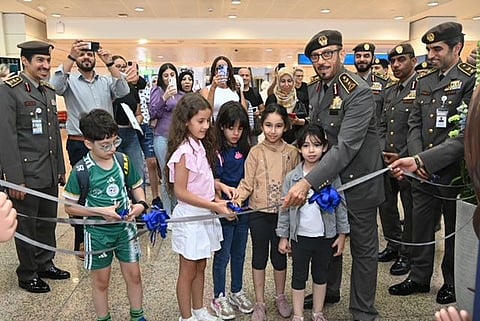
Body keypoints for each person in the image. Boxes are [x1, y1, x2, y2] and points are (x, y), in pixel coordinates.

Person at [283, 30, 385, 321]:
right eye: (316, 57)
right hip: (331, 183)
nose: (322, 61)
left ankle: (363, 311)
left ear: (342, 53)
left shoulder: (359, 91)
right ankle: (328, 290)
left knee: (364, 251)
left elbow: (345, 147)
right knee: (331, 238)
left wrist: (307, 182)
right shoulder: (316, 89)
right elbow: (317, 139)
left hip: (360, 181)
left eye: (328, 54)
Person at [388, 21, 475, 305]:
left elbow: (465, 135)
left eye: (437, 48)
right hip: (422, 172)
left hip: (452, 173)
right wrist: (417, 160)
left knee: (452, 229)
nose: (431, 54)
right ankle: (418, 276)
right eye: (429, 49)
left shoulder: (469, 80)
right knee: (420, 224)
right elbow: (414, 124)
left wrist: (423, 160)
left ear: (457, 47)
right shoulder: (424, 80)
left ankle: (450, 281)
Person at [63, 109, 147, 321]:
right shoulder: (82, 170)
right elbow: (70, 207)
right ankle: (104, 318)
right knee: (102, 281)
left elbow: (136, 186)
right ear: (88, 143)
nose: (111, 149)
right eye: (105, 145)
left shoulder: (122, 161)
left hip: (125, 230)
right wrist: (100, 212)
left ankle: (138, 316)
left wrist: (141, 205)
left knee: (134, 275)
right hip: (98, 233)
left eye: (114, 142)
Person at [0, 40, 70, 293]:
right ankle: (27, 273)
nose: (45, 65)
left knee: (47, 222)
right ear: (25, 62)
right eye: (39, 60)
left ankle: (45, 263)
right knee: (27, 224)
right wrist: (14, 178)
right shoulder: (10, 90)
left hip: (48, 171)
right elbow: (6, 138)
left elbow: (53, 133)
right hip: (26, 175)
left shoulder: (48, 91)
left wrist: (60, 168)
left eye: (47, 60)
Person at [51, 39, 129, 254]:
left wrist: (110, 63)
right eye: (82, 54)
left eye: (89, 54)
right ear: (77, 59)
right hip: (79, 144)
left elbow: (123, 90)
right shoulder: (70, 82)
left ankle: (111, 231)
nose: (86, 57)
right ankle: (81, 240)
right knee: (81, 194)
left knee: (105, 188)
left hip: (106, 145)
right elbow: (55, 86)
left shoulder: (105, 81)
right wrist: (70, 56)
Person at [165, 93, 235, 321]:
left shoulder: (199, 145)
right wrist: (215, 206)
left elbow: (201, 180)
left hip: (204, 215)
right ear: (186, 121)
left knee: (201, 266)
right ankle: (186, 317)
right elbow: (182, 192)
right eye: (201, 121)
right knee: (187, 271)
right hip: (191, 217)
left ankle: (198, 309)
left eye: (208, 121)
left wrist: (219, 185)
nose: (206, 126)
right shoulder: (183, 152)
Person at [277, 123, 349, 321]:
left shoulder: (331, 176)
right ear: (299, 148)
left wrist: (342, 235)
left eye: (316, 145)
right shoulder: (292, 178)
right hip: (300, 238)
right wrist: (283, 237)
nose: (311, 150)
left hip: (325, 237)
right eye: (306, 145)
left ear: (325, 147)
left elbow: (341, 206)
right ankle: (298, 314)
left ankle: (318, 312)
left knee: (321, 276)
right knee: (299, 276)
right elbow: (284, 211)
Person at [235, 103, 300, 321]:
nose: (273, 131)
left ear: (286, 127)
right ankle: (260, 302)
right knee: (259, 256)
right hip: (258, 213)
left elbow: (299, 183)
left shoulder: (293, 153)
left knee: (280, 256)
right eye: (269, 125)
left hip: (283, 215)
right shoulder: (255, 152)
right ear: (262, 125)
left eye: (278, 126)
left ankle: (280, 296)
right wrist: (237, 199)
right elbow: (247, 183)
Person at [211, 101, 254, 320]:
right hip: (225, 213)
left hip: (244, 210)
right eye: (230, 128)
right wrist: (223, 208)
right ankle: (219, 295)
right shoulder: (217, 151)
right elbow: (215, 183)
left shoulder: (247, 149)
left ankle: (237, 290)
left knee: (239, 254)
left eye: (239, 128)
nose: (235, 133)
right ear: (221, 127)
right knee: (223, 256)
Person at [377, 43, 417, 276]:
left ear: (413, 61)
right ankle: (393, 244)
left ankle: (408, 254)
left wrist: (403, 155)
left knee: (410, 210)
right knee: (387, 206)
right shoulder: (390, 91)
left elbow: (418, 128)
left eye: (401, 60)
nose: (396, 65)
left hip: (408, 161)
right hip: (386, 160)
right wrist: (383, 151)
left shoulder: (421, 88)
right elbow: (382, 124)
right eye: (393, 61)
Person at [149, 63, 183, 216]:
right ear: (161, 77)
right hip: (162, 136)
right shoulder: (158, 91)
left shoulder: (181, 94)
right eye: (166, 75)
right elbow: (153, 112)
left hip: (178, 138)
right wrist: (165, 97)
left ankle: (177, 208)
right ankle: (168, 212)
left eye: (172, 75)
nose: (169, 78)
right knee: (166, 172)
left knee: (178, 173)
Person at [112, 55, 146, 180]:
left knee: (137, 171)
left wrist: (138, 120)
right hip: (115, 134)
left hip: (132, 133)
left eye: (123, 67)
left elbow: (139, 113)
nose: (121, 69)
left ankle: (139, 199)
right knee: (117, 172)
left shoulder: (132, 89)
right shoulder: (109, 87)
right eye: (118, 66)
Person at [265, 68, 307, 144]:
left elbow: (309, 119)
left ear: (293, 81)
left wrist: (298, 121)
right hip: (276, 140)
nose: (286, 84)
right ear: (278, 82)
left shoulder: (301, 97)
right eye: (283, 81)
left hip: (298, 139)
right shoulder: (272, 98)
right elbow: (266, 121)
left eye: (289, 81)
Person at [138, 78, 162, 207]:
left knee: (152, 162)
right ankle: (139, 199)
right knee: (136, 165)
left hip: (146, 126)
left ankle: (155, 197)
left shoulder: (146, 91)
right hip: (129, 129)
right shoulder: (118, 89)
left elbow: (152, 108)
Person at [353, 42, 389, 123]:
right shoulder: (347, 81)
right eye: (358, 56)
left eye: (366, 56)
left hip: (375, 132)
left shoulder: (384, 83)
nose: (362, 59)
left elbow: (386, 114)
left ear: (373, 59)